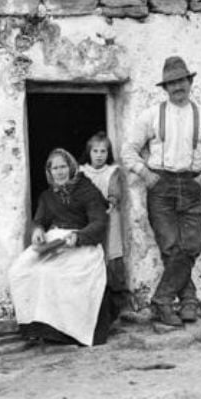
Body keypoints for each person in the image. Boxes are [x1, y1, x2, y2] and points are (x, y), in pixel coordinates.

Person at [121, 56, 201, 326]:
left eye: (181, 80)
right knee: (170, 246)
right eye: (171, 82)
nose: (177, 86)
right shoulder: (152, 115)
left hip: (192, 184)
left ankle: (163, 299)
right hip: (161, 185)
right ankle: (188, 301)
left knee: (193, 244)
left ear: (190, 82)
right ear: (165, 87)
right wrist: (146, 175)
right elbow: (128, 150)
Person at [8, 148, 110, 346]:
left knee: (52, 274)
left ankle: (64, 331)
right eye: (55, 168)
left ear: (71, 168)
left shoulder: (87, 190)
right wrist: (37, 230)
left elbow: (99, 222)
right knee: (19, 271)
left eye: (63, 166)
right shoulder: (47, 196)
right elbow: (39, 220)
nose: (60, 172)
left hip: (82, 244)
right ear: (49, 171)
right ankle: (36, 326)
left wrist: (78, 237)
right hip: (56, 243)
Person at [79, 131, 131, 319]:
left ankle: (117, 304)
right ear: (89, 152)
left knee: (111, 254)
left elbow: (115, 192)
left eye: (103, 151)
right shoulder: (81, 172)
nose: (99, 155)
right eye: (95, 151)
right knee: (90, 255)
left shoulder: (113, 171)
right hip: (89, 219)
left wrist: (111, 200)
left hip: (110, 217)